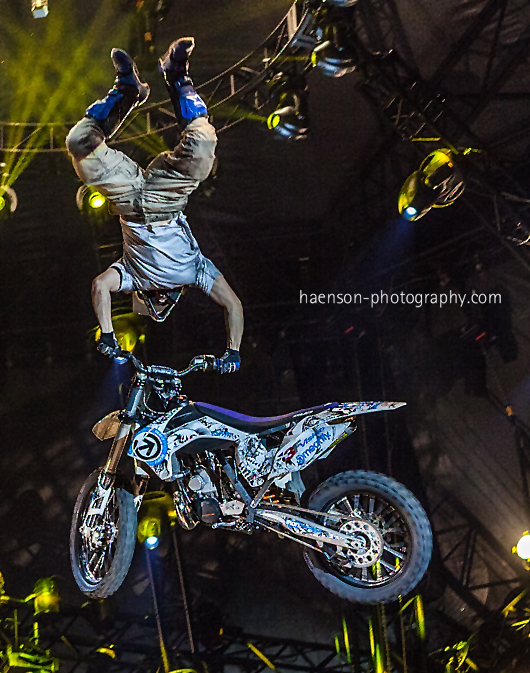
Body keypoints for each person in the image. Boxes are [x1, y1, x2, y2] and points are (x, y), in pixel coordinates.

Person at [66, 38, 243, 374]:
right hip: (167, 198)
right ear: (177, 297)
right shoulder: (196, 273)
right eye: (166, 301)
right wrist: (232, 351)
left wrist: (108, 333)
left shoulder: (131, 276)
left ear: (143, 294)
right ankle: (177, 76)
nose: (161, 298)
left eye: (154, 300)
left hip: (128, 201)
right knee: (203, 144)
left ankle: (127, 91)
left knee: (79, 143)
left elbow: (100, 286)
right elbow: (233, 305)